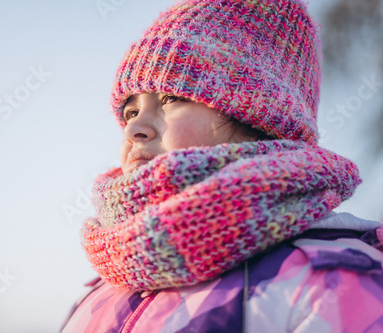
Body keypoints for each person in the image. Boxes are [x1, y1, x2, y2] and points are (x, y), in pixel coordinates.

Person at [61, 0, 383, 331]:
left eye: (172, 98)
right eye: (130, 111)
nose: (133, 128)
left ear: (257, 118)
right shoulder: (99, 293)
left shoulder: (334, 282)